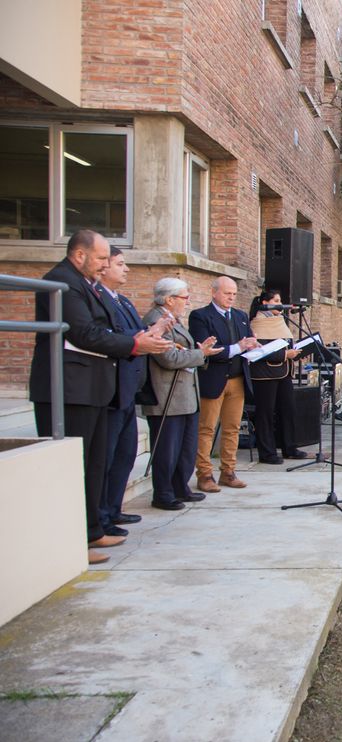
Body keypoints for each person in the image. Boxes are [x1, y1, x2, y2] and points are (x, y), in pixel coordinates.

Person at [28, 230, 171, 563]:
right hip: (70, 389)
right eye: (102, 258)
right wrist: (135, 344)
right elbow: (85, 333)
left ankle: (92, 531)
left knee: (94, 465)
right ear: (80, 255)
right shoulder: (62, 282)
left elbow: (107, 331)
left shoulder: (85, 284)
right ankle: (74, 542)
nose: (106, 265)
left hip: (93, 387)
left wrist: (141, 338)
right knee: (73, 468)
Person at [143, 279, 222, 510]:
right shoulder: (156, 320)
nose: (187, 302)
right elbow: (168, 358)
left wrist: (200, 352)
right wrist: (200, 353)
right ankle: (163, 493)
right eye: (185, 298)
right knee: (167, 449)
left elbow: (183, 352)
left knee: (185, 449)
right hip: (168, 396)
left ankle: (180, 487)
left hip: (185, 395)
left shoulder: (173, 319)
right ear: (169, 299)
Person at [96, 247, 148, 537]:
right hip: (112, 389)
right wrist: (143, 337)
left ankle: (114, 508)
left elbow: (137, 332)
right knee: (107, 454)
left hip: (129, 389)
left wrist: (152, 333)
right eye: (120, 263)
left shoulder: (123, 300)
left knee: (126, 454)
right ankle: (101, 516)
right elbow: (113, 336)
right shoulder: (99, 298)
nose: (126, 268)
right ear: (104, 267)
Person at [190, 276, 258, 491]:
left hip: (237, 380)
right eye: (227, 293)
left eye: (234, 294)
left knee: (232, 428)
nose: (231, 298)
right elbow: (209, 351)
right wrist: (239, 347)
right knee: (206, 428)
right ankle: (204, 474)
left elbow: (248, 341)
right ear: (214, 292)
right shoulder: (200, 316)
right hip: (213, 379)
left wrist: (253, 346)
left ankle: (228, 472)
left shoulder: (240, 316)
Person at [247, 290, 307, 464]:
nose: (280, 304)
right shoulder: (256, 323)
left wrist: (295, 353)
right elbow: (258, 351)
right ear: (265, 303)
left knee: (288, 410)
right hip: (264, 375)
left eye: (281, 300)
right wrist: (285, 355)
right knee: (265, 413)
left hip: (284, 373)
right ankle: (267, 453)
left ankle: (290, 448)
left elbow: (285, 345)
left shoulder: (280, 320)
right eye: (276, 301)